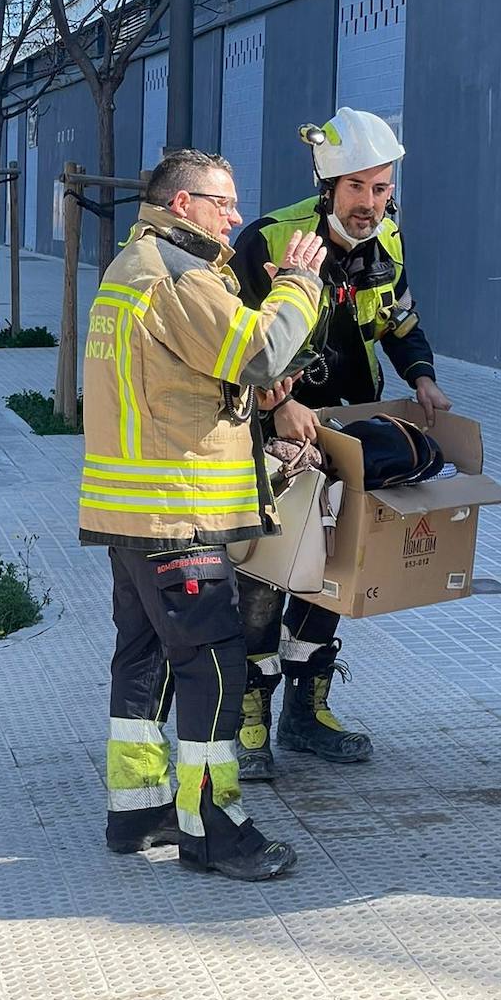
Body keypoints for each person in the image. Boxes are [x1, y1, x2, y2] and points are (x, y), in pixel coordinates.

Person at [78, 149, 325, 881]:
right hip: (175, 513)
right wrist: (301, 285)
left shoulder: (135, 266)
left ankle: (139, 809)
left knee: (143, 657)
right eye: (224, 202)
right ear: (183, 204)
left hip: (130, 512)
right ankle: (215, 829)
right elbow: (258, 349)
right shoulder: (178, 275)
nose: (236, 217)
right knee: (213, 664)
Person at [229, 107, 452, 780]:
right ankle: (247, 720)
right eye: (357, 188)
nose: (371, 203)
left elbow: (398, 318)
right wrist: (281, 401)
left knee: (332, 574)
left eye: (381, 189)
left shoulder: (386, 241)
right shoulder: (269, 239)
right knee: (269, 575)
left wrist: (422, 376)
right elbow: (234, 344)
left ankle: (307, 709)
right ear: (328, 186)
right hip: (276, 437)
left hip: (349, 434)